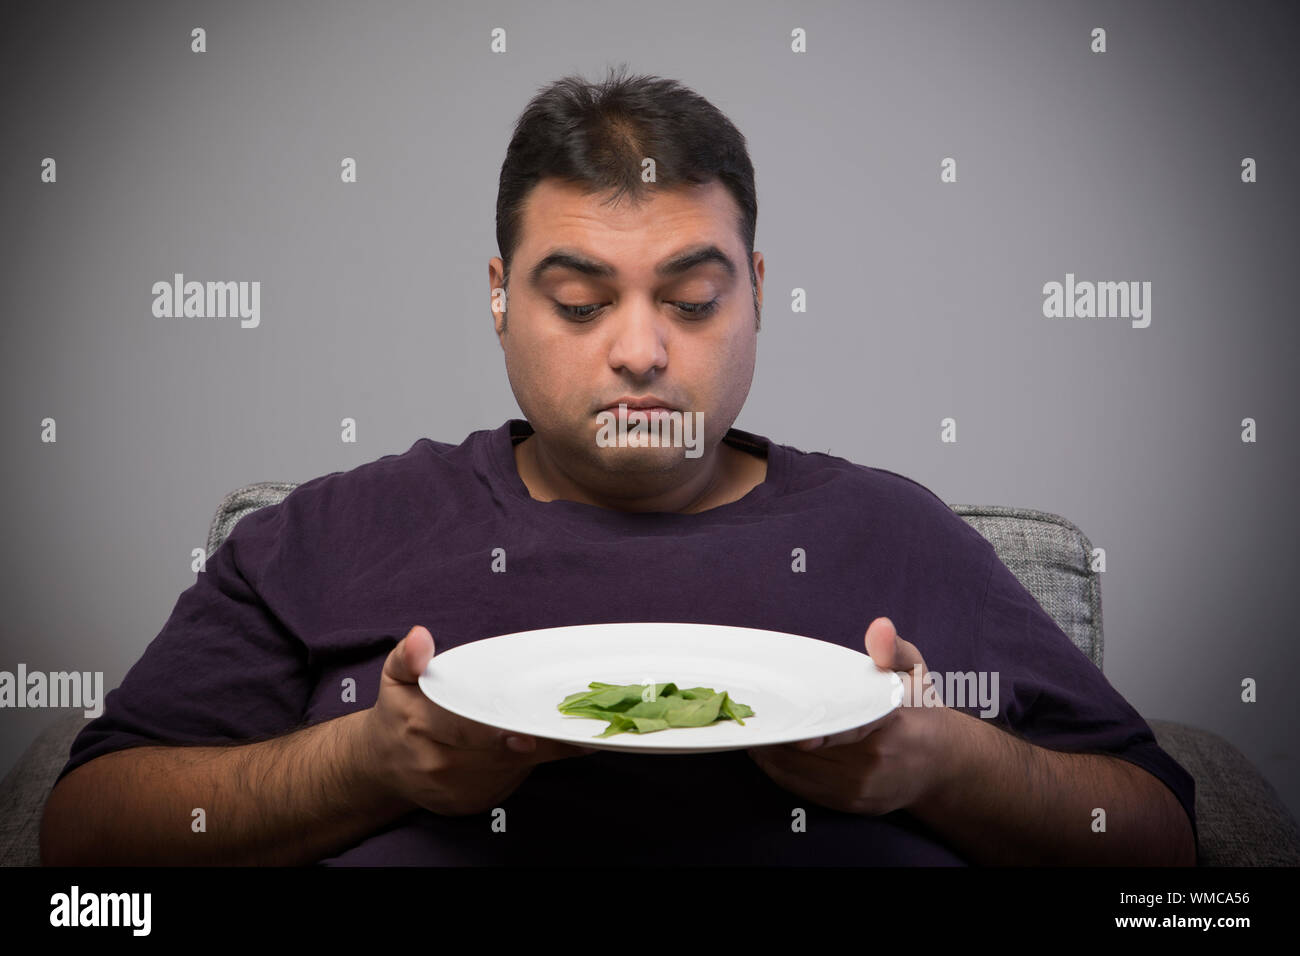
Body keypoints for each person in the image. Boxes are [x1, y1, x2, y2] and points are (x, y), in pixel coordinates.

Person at [40, 67, 1196, 867]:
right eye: (582, 300)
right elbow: (82, 840)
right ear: (498, 296)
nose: (640, 348)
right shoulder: (327, 532)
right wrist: (369, 761)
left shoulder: (897, 532)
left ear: (755, 291)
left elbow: (1165, 847)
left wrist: (939, 759)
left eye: (692, 299)